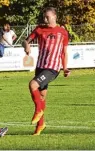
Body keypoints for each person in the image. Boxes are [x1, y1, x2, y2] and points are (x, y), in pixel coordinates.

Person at [23, 7, 70, 135]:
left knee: (32, 84)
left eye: (47, 17)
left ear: (54, 17)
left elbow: (64, 52)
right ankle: (40, 125)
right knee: (42, 97)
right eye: (44, 17)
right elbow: (25, 41)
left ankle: (38, 111)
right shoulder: (39, 29)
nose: (45, 19)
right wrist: (26, 46)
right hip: (40, 66)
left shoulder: (63, 32)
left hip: (53, 68)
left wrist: (65, 68)